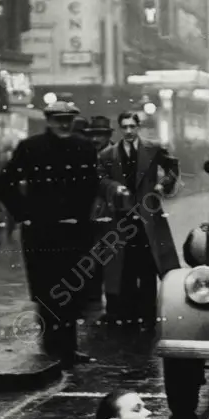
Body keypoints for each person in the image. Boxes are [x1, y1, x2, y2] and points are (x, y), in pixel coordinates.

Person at [0, 102, 100, 368]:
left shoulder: (85, 147)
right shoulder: (30, 147)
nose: (64, 124)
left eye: (68, 119)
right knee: (46, 291)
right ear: (48, 120)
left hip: (75, 230)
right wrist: (24, 214)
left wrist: (84, 215)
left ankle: (69, 349)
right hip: (42, 231)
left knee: (73, 289)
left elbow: (92, 186)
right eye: (58, 119)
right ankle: (50, 348)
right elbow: (5, 182)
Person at [97, 110, 180, 327]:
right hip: (121, 218)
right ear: (119, 129)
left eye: (132, 127)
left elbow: (172, 166)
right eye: (124, 127)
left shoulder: (152, 149)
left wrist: (164, 184)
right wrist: (114, 187)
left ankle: (149, 315)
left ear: (138, 127)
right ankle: (128, 316)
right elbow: (100, 178)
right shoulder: (108, 155)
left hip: (148, 216)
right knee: (124, 267)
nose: (128, 131)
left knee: (148, 267)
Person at [83, 116, 115, 312]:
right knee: (91, 258)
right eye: (93, 135)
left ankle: (113, 303)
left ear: (108, 135)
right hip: (89, 214)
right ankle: (93, 300)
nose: (96, 139)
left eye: (100, 135)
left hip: (113, 214)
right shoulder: (85, 153)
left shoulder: (117, 154)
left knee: (113, 259)